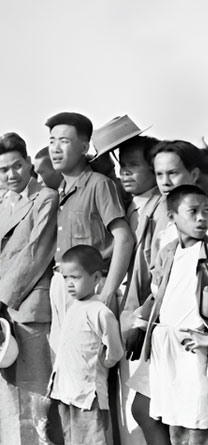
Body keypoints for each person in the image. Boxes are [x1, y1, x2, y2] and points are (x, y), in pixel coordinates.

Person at [0, 133, 60, 444]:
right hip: (0, 314)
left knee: (39, 398)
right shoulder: (4, 205)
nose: (11, 175)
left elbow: (35, 253)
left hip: (30, 309)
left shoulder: (46, 198)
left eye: (17, 166)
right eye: (3, 170)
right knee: (8, 401)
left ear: (29, 163)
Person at [46, 112, 133, 349]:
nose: (55, 148)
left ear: (84, 147)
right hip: (62, 284)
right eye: (52, 141)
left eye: (64, 141)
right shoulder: (62, 189)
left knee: (90, 367)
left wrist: (106, 292)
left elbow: (124, 238)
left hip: (91, 286)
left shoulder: (98, 184)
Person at [138, 184, 208, 444]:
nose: (202, 218)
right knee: (174, 426)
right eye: (193, 211)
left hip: (196, 348)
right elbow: (157, 295)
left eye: (206, 211)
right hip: (166, 349)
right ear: (172, 217)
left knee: (200, 427)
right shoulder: (168, 253)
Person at [114, 134, 171, 445]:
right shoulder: (133, 207)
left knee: (146, 410)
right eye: (122, 166)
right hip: (133, 312)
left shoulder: (162, 210)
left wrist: (139, 320)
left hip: (150, 317)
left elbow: (161, 274)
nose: (125, 173)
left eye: (134, 166)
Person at [49, 245, 123, 445]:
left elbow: (115, 350)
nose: (69, 284)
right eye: (65, 278)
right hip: (67, 392)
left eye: (76, 277)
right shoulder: (73, 308)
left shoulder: (99, 311)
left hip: (88, 397)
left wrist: (105, 363)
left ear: (96, 278)